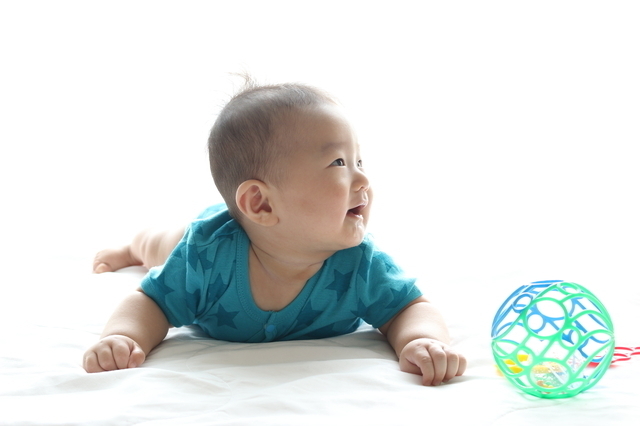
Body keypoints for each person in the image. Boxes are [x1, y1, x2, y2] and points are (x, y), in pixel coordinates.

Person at [84, 80, 467, 386]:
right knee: (159, 245)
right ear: (262, 204)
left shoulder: (361, 263)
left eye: (359, 161)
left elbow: (410, 307)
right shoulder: (204, 255)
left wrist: (421, 340)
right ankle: (131, 246)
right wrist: (123, 337)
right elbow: (151, 302)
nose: (364, 179)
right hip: (209, 236)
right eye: (339, 162)